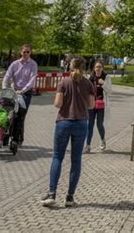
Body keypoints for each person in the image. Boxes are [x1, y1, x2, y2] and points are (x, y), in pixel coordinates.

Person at [41, 56, 94, 208]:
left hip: (64, 122)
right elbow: (91, 105)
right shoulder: (89, 84)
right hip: (82, 123)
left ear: (70, 66)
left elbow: (57, 103)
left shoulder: (64, 82)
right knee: (76, 160)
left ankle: (52, 194)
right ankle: (70, 197)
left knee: (57, 157)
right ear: (84, 67)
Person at [2, 44, 38, 145]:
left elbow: (32, 79)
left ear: (30, 52)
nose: (26, 54)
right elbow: (7, 76)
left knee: (20, 115)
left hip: (26, 93)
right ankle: (5, 138)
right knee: (8, 113)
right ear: (20, 52)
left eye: (28, 52)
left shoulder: (33, 64)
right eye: (24, 52)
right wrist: (5, 88)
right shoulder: (15, 64)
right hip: (14, 92)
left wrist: (23, 90)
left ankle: (17, 139)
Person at [85, 60, 110, 152]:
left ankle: (103, 140)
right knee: (89, 125)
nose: (98, 68)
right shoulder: (90, 78)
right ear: (94, 68)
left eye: (100, 67)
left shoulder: (106, 77)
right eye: (96, 67)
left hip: (101, 105)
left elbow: (110, 91)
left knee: (99, 124)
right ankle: (87, 146)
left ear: (102, 68)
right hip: (91, 105)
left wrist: (103, 83)